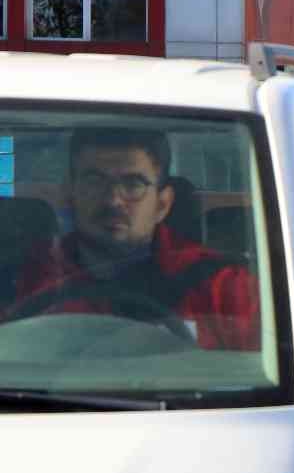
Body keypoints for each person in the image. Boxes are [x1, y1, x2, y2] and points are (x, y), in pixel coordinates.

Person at [9, 127, 258, 350]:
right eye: (95, 181)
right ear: (69, 194)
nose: (113, 200)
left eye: (133, 184)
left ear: (163, 204)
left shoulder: (224, 287)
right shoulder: (23, 280)